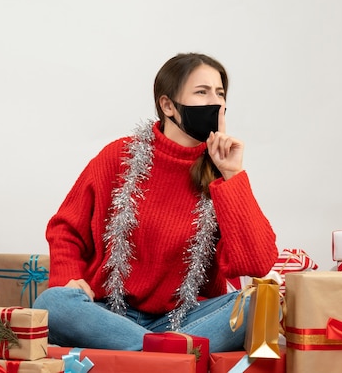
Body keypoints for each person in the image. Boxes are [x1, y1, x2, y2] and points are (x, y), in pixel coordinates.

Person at [33, 52, 278, 353]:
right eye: (202, 92)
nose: (215, 102)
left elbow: (256, 263)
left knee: (259, 304)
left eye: (220, 93)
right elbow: (65, 228)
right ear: (168, 105)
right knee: (51, 304)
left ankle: (149, 355)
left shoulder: (219, 175)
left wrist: (232, 175)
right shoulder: (119, 155)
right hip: (109, 314)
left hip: (184, 321)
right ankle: (167, 357)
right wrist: (68, 277)